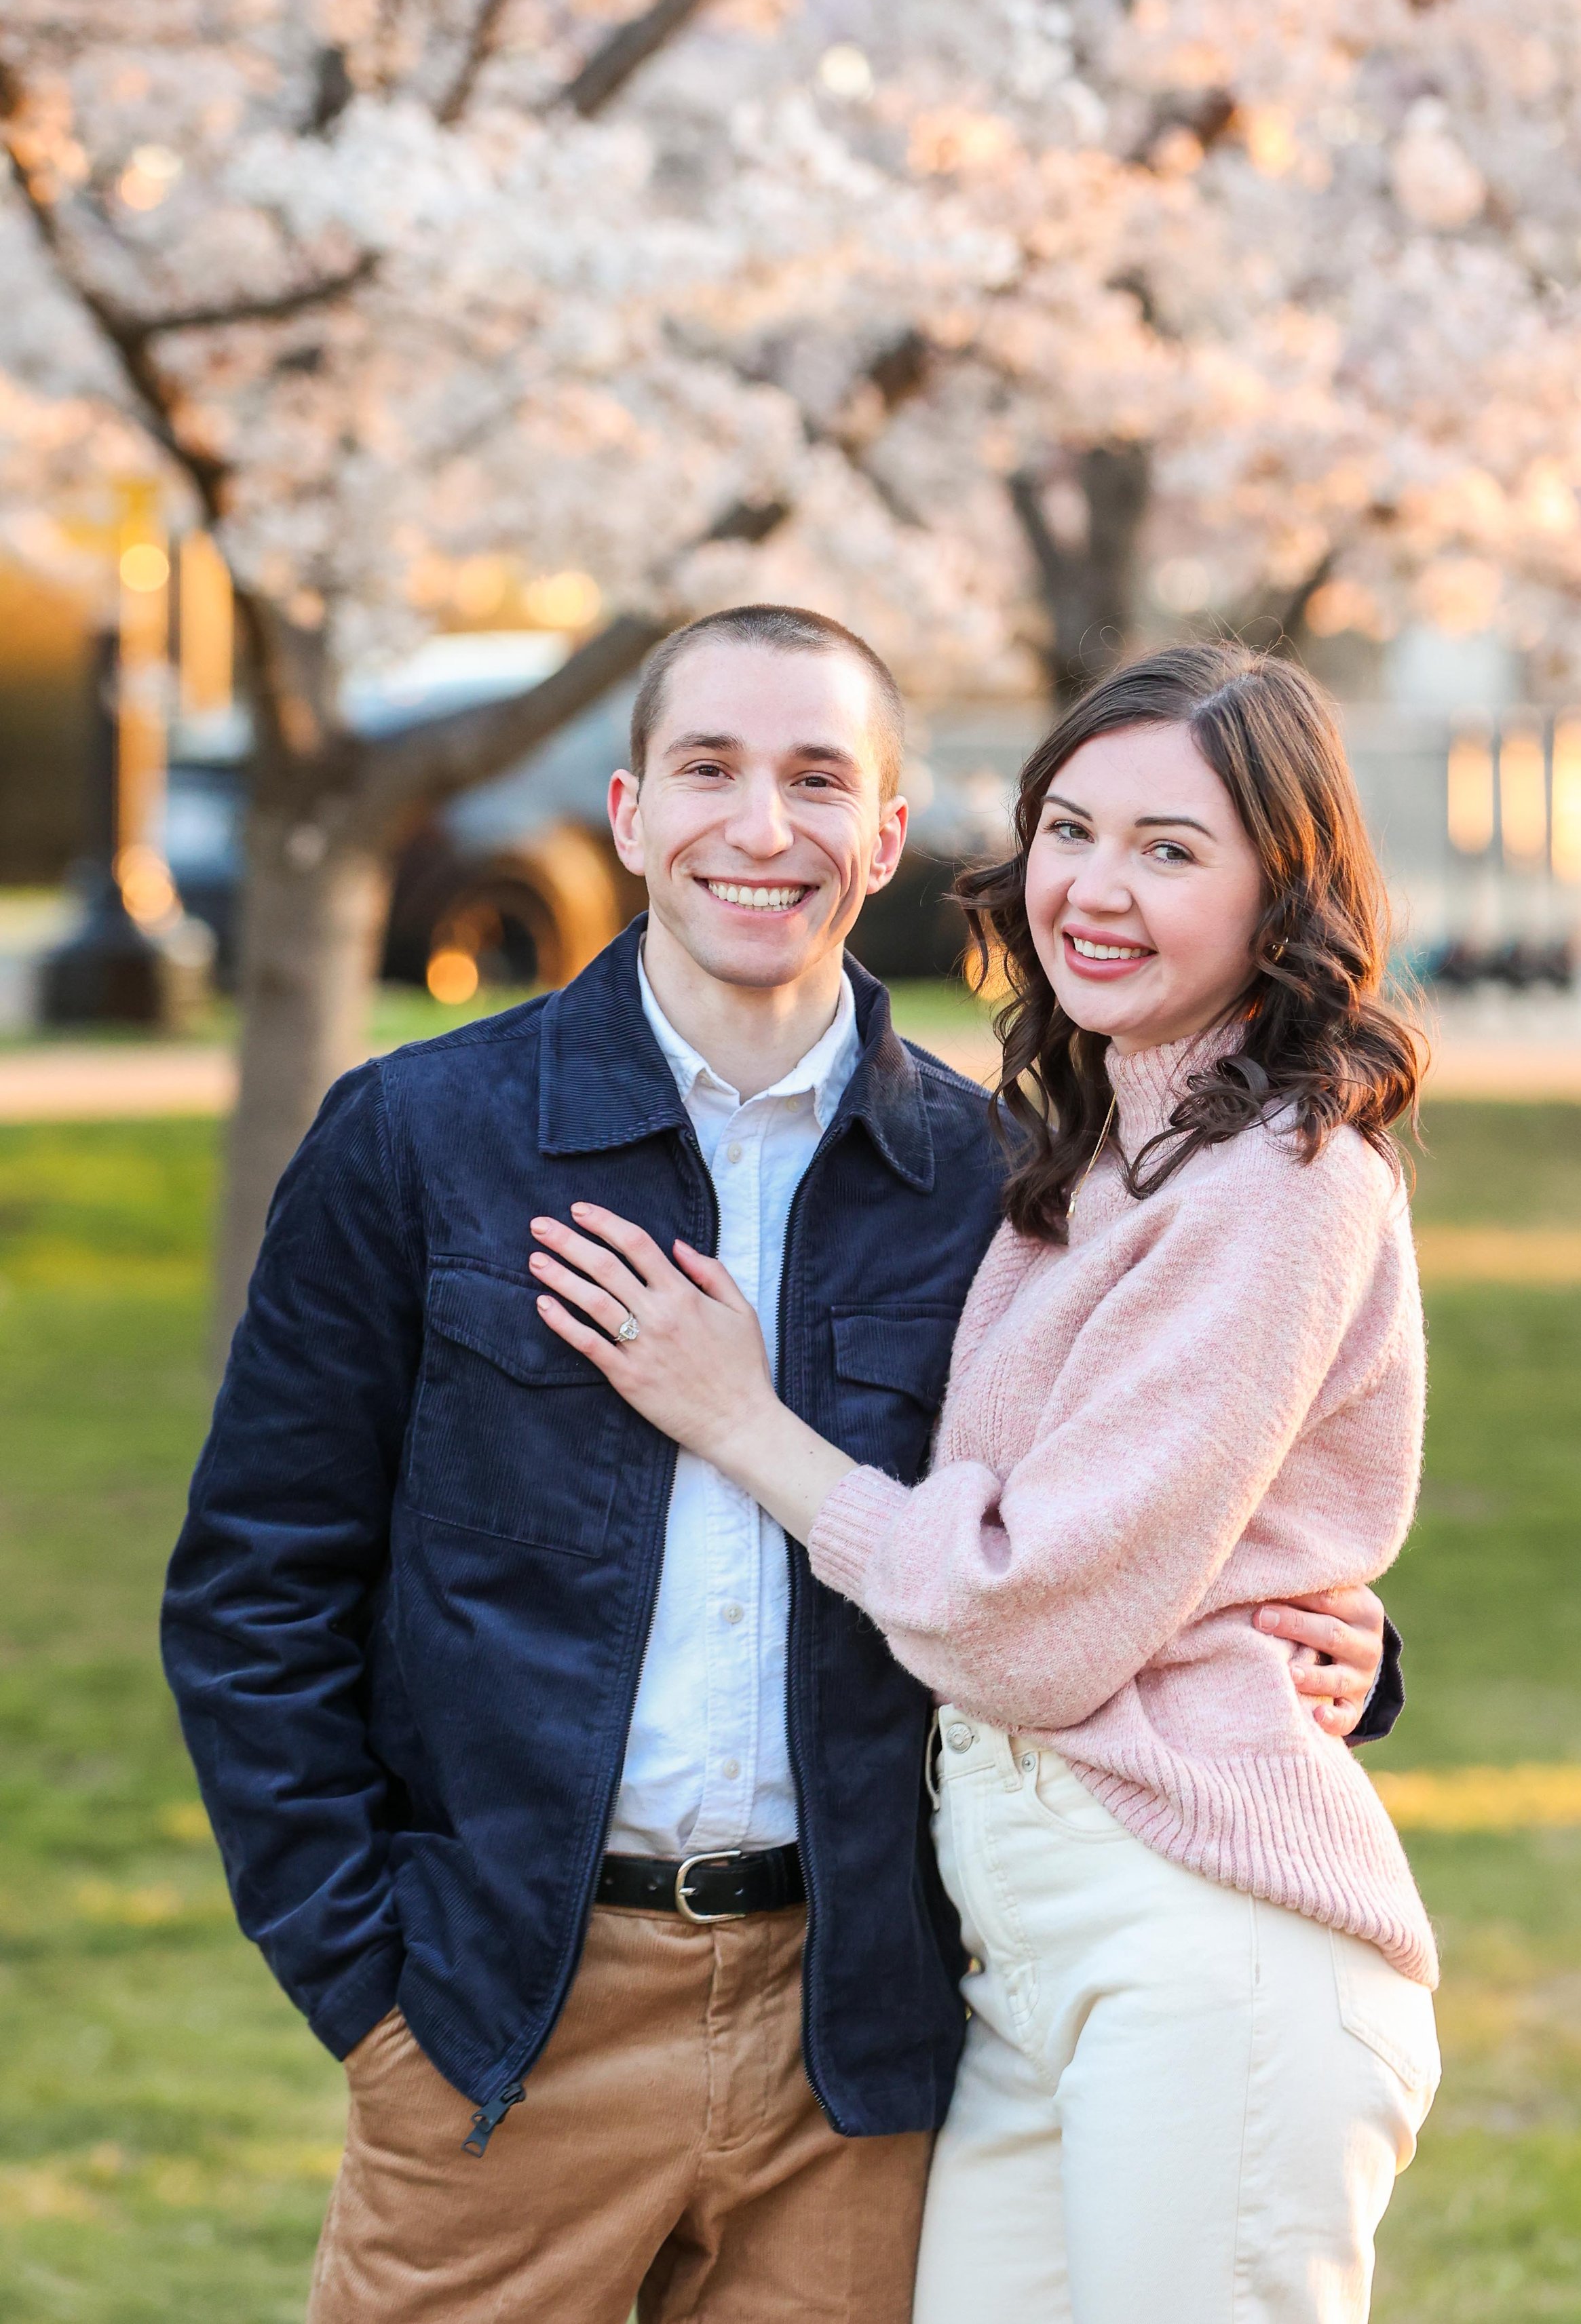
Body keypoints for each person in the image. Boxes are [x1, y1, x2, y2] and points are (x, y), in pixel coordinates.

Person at [162, 610, 1401, 2324]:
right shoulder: (420, 1140)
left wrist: (1350, 1644)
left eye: (817, 779)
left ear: (884, 836)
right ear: (625, 812)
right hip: (505, 2017)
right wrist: (370, 1988)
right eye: (710, 773)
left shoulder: (995, 1183)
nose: (762, 829)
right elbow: (255, 1588)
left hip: (862, 2034)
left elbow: (1133, 1502)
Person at [529, 640, 1439, 2324]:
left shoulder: (1280, 1181)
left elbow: (1030, 1623)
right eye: (1070, 831)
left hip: (1202, 1942)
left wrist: (744, 1424)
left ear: (1281, 890)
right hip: (1026, 1958)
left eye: (1171, 851)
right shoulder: (1091, 1155)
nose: (1094, 890)